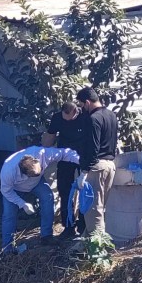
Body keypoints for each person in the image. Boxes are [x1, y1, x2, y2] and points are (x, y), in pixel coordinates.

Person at [0, 146, 80, 252]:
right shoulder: (8, 171)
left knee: (48, 197)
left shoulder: (43, 154)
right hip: (15, 189)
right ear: (23, 172)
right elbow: (6, 191)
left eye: (40, 169)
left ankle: (46, 236)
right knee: (9, 215)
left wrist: (83, 164)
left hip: (37, 183)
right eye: (33, 174)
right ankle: (8, 247)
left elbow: (65, 153)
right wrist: (22, 203)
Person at [76, 87, 118, 234]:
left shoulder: (93, 119)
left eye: (81, 105)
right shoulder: (111, 115)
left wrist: (84, 172)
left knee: (93, 210)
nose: (81, 109)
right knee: (99, 208)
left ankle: (97, 250)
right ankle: (85, 244)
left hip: (96, 166)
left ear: (87, 102)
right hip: (110, 165)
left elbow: (93, 148)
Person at [44, 102, 87, 238]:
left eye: (70, 118)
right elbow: (49, 137)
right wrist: (43, 150)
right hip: (64, 157)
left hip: (83, 156)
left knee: (85, 190)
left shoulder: (85, 117)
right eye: (64, 118)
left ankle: (84, 225)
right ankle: (68, 226)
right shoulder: (57, 117)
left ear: (76, 111)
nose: (67, 120)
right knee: (64, 190)